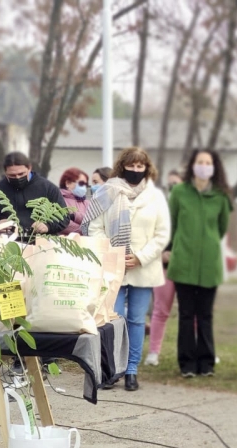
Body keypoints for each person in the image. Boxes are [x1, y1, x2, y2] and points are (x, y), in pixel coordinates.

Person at [81, 147, 170, 391]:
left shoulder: (156, 197)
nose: (135, 170)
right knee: (112, 319)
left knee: (136, 320)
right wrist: (113, 252)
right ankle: (111, 370)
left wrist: (141, 257)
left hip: (143, 266)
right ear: (122, 166)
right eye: (131, 166)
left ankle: (131, 370)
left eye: (140, 167)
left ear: (147, 169)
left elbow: (162, 234)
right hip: (113, 266)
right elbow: (93, 226)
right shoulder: (106, 192)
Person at [166, 149, 231, 377]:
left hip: (209, 265)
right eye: (200, 162)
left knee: (205, 315)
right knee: (186, 314)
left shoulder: (221, 196)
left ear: (214, 167)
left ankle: (206, 363)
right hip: (183, 261)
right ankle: (187, 364)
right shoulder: (179, 192)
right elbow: (171, 225)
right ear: (192, 165)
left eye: (208, 162)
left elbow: (222, 228)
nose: (204, 166)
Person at [0, 152, 69, 237]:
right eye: (12, 175)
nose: (17, 178)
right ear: (5, 172)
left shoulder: (48, 188)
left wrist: (48, 226)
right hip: (6, 244)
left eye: (21, 174)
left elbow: (64, 217)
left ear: (29, 168)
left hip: (41, 244)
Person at [144, 169, 184, 366]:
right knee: (160, 310)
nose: (173, 188)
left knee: (191, 312)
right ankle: (154, 352)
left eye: (176, 183)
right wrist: (160, 255)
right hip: (164, 267)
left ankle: (198, 350)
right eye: (170, 185)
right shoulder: (160, 206)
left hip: (185, 266)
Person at [58, 167, 90, 235]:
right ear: (68, 183)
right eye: (81, 183)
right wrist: (86, 230)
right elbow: (64, 224)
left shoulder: (87, 203)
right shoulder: (58, 200)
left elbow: (94, 222)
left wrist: (74, 216)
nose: (84, 187)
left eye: (86, 185)